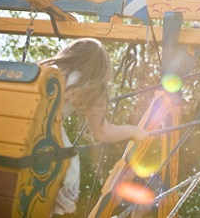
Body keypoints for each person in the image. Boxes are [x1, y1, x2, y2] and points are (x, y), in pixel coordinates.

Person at [39, 38, 148, 217]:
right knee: (67, 166)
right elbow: (103, 132)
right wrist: (135, 131)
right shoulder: (91, 86)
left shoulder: (46, 69)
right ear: (100, 69)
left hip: (14, 125)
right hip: (45, 132)